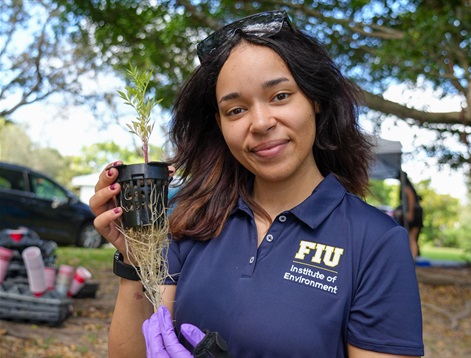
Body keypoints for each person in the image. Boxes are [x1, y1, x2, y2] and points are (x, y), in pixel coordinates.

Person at [90, 9, 424, 357]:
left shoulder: (375, 241)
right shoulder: (190, 218)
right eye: (236, 110)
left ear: (316, 100)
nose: (261, 122)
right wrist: (135, 262)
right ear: (219, 125)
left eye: (280, 96)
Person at [395, 172, 424, 259]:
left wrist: (410, 213)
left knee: (412, 238)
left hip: (415, 213)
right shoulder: (407, 187)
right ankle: (410, 258)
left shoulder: (406, 187)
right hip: (415, 212)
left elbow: (411, 198)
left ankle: (412, 259)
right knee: (411, 238)